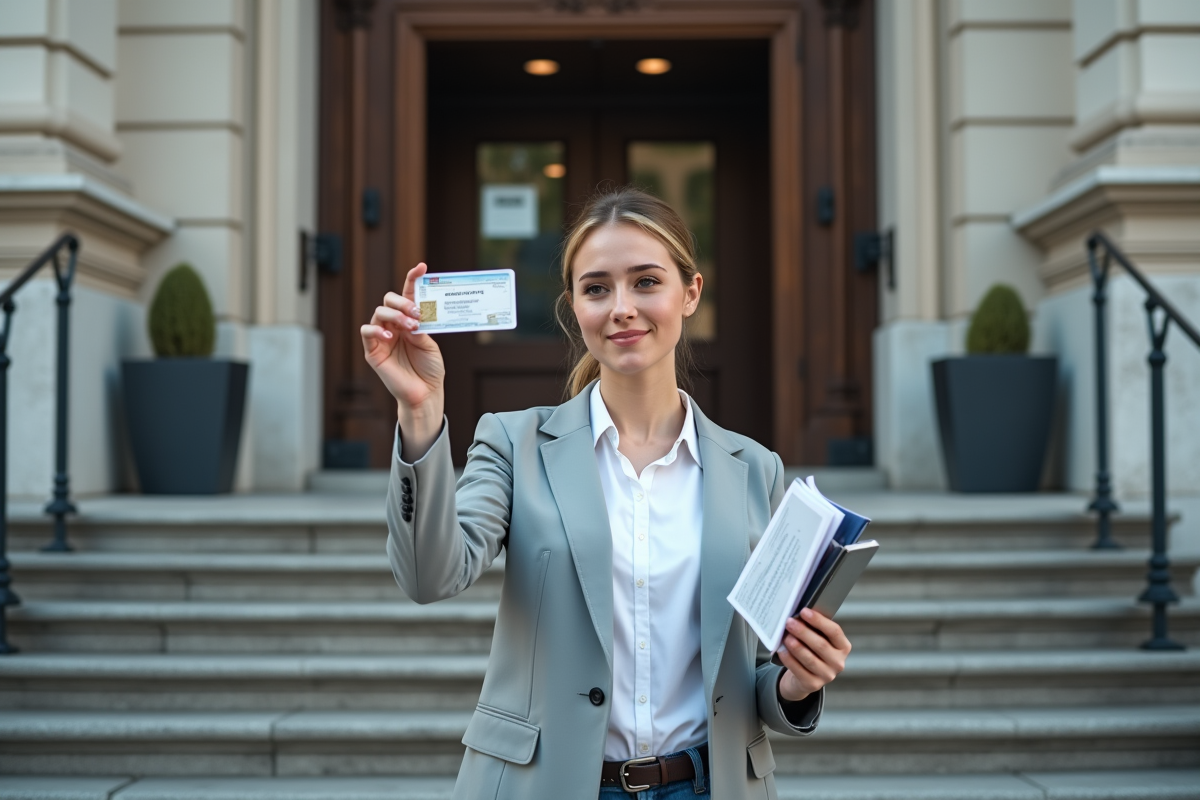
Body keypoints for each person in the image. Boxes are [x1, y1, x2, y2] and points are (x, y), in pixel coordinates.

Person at [361, 188, 853, 799]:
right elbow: (427, 576)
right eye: (597, 288)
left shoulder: (754, 469)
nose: (622, 307)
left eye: (646, 281)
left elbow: (751, 678)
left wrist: (796, 684)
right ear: (574, 307)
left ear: (690, 293)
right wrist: (420, 412)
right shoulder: (515, 444)